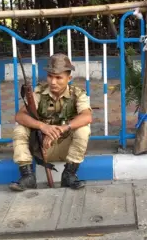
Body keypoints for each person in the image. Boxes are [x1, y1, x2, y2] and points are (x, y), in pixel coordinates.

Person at [10, 53, 92, 191]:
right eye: (50, 76)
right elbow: (20, 116)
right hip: (41, 148)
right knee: (20, 128)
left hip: (67, 148)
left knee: (84, 129)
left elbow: (87, 116)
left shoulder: (77, 94)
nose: (53, 82)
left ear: (69, 78)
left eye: (59, 77)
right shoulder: (38, 93)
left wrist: (63, 128)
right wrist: (42, 126)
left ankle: (69, 175)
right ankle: (27, 176)